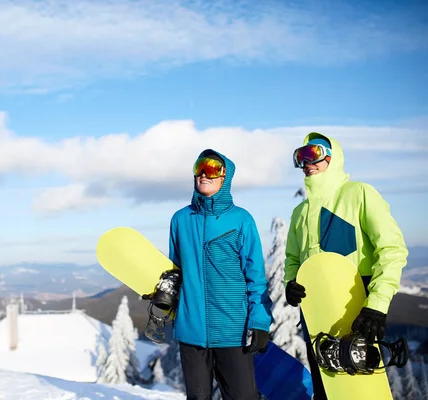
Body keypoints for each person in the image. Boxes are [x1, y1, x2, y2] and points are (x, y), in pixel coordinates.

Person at [284, 132, 408, 399]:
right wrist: (290, 283)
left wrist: (376, 305)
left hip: (357, 306)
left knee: (356, 389)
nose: (306, 162)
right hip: (317, 311)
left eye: (313, 154)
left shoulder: (359, 194)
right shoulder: (299, 213)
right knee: (325, 389)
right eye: (300, 157)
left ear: (333, 157)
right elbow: (293, 259)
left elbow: (392, 250)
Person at [169, 149, 272, 400]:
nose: (204, 174)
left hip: (232, 330)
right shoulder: (181, 219)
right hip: (191, 331)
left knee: (243, 397)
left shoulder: (241, 220)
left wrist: (259, 322)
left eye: (212, 168)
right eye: (199, 168)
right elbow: (174, 271)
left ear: (225, 176)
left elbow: (256, 277)